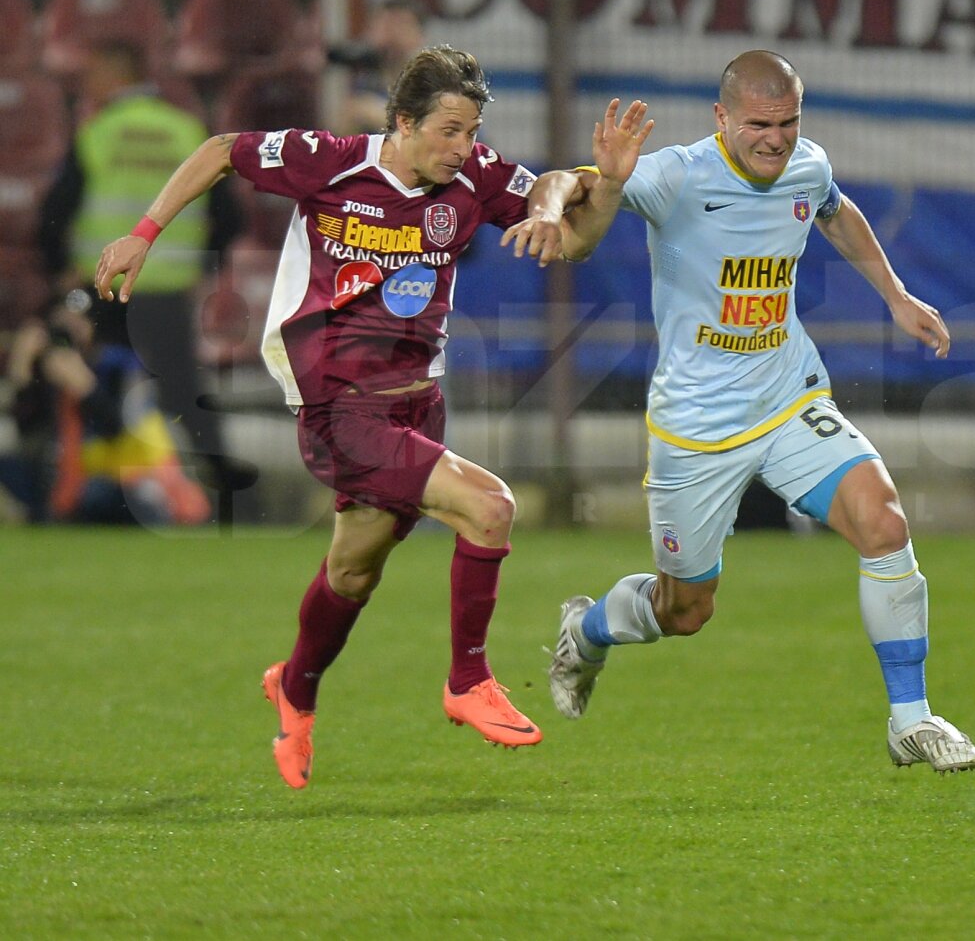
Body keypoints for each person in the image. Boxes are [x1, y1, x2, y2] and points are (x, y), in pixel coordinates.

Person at [94, 45, 654, 789]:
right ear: (403, 123)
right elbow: (221, 150)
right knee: (490, 508)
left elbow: (571, 228)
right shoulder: (330, 162)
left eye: (471, 131)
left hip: (417, 401)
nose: (462, 147)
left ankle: (295, 686)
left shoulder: (474, 176)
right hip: (338, 408)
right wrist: (143, 232)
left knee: (353, 571)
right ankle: (468, 680)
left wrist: (603, 186)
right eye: (449, 130)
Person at [542, 50, 975, 774]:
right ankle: (587, 631)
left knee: (883, 522)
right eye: (758, 125)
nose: (776, 140)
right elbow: (570, 193)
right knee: (685, 611)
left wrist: (896, 295)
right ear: (722, 118)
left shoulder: (807, 165)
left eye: (788, 123)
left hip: (787, 397)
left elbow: (836, 211)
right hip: (695, 425)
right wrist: (575, 193)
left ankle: (912, 720)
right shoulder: (677, 175)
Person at [36, 41, 250, 496]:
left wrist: (61, 271)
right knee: (181, 392)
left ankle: (72, 486)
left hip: (104, 286)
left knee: (78, 373)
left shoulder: (99, 132)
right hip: (167, 290)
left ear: (117, 75)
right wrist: (199, 267)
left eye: (93, 74)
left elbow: (55, 211)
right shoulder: (187, 130)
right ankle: (228, 491)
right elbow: (230, 217)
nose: (86, 85)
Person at [0, 290, 210, 526]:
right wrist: (21, 370)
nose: (69, 335)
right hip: (74, 474)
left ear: (92, 326)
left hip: (129, 473)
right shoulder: (48, 367)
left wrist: (86, 389)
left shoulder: (117, 364)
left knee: (108, 497)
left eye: (76, 324)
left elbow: (121, 428)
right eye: (61, 327)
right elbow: (26, 432)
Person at [330, 0, 428, 136]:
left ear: (419, 35)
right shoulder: (367, 80)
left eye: (401, 25)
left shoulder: (430, 83)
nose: (392, 34)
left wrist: (374, 113)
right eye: (384, 25)